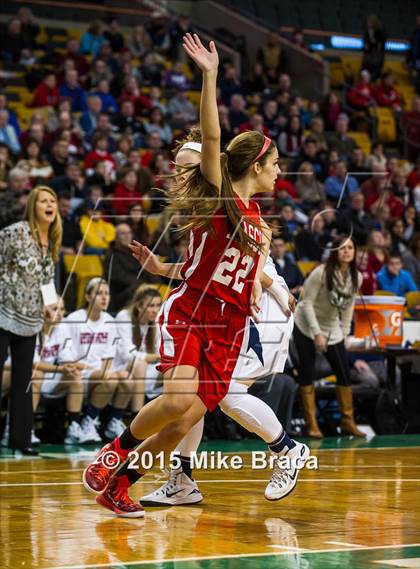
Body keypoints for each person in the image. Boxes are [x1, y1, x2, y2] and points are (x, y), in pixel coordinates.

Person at [83, 34, 308, 516]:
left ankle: (121, 484)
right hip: (193, 313)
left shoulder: (258, 224)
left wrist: (252, 290)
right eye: (274, 164)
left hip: (228, 325)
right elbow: (209, 140)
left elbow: (229, 270)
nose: (279, 171)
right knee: (176, 401)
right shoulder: (221, 196)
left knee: (185, 417)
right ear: (254, 164)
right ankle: (113, 453)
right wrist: (209, 76)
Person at [0, 186, 62, 454]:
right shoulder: (15, 232)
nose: (49, 204)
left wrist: (50, 305)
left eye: (53, 199)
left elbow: (45, 280)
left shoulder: (52, 239)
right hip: (3, 313)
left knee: (24, 380)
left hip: (30, 320)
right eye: (43, 201)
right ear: (32, 206)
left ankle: (21, 441)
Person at [293, 237, 365, 439]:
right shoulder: (320, 273)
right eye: (342, 248)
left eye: (350, 247)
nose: (347, 251)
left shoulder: (356, 277)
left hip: (332, 327)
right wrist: (317, 333)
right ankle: (312, 424)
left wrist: (343, 333)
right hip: (305, 325)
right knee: (307, 373)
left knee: (344, 373)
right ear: (335, 251)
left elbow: (349, 306)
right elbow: (306, 303)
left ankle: (347, 420)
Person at [61, 278, 135, 442]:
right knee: (110, 378)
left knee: (128, 380)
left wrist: (105, 371)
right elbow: (66, 353)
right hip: (78, 373)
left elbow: (110, 355)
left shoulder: (109, 320)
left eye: (107, 293)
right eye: (99, 293)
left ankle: (112, 423)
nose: (104, 297)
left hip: (101, 374)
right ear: (88, 297)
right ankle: (88, 422)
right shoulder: (73, 319)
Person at [113, 287, 162, 419]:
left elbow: (160, 352)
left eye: (158, 305)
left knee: (175, 369)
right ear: (139, 306)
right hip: (122, 368)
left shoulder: (156, 323)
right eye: (151, 306)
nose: (156, 310)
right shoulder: (124, 316)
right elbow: (126, 354)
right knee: (140, 365)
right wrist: (152, 357)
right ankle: (137, 418)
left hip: (148, 371)